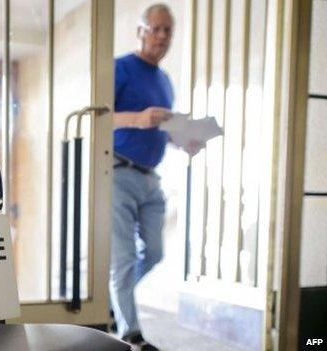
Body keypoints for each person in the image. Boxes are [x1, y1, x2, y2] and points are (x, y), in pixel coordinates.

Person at [109, 4, 202, 350]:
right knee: (123, 258)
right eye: (156, 28)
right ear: (140, 31)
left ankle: (116, 299)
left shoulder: (165, 81)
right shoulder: (119, 68)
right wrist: (139, 118)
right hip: (118, 173)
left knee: (156, 252)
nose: (162, 36)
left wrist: (182, 140)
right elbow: (100, 116)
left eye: (168, 31)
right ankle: (131, 334)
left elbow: (159, 128)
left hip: (151, 177)